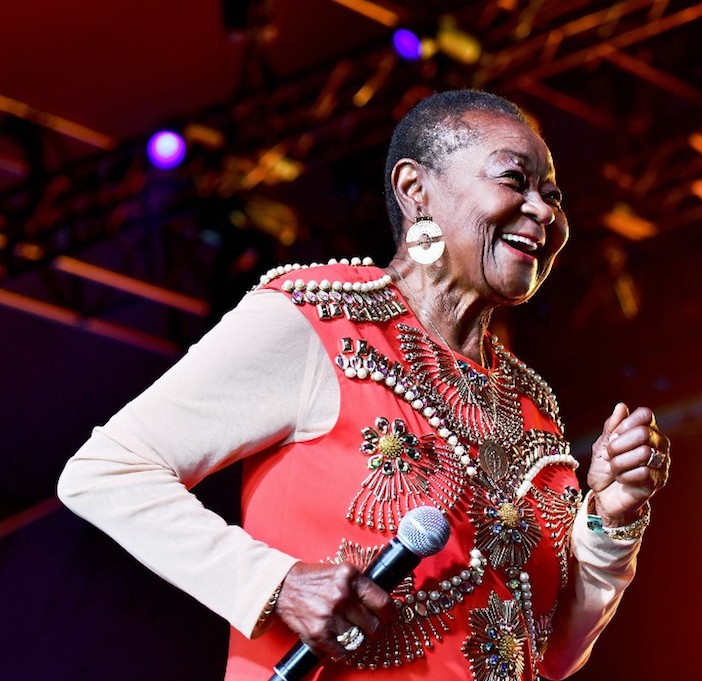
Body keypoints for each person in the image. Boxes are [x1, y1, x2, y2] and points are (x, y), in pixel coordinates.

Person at [58, 90, 671, 680]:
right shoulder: (317, 320)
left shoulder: (531, 406)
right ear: (416, 190)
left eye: (552, 195)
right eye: (515, 181)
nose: (543, 211)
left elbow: (554, 655)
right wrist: (276, 584)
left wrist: (610, 521)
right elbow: (107, 471)